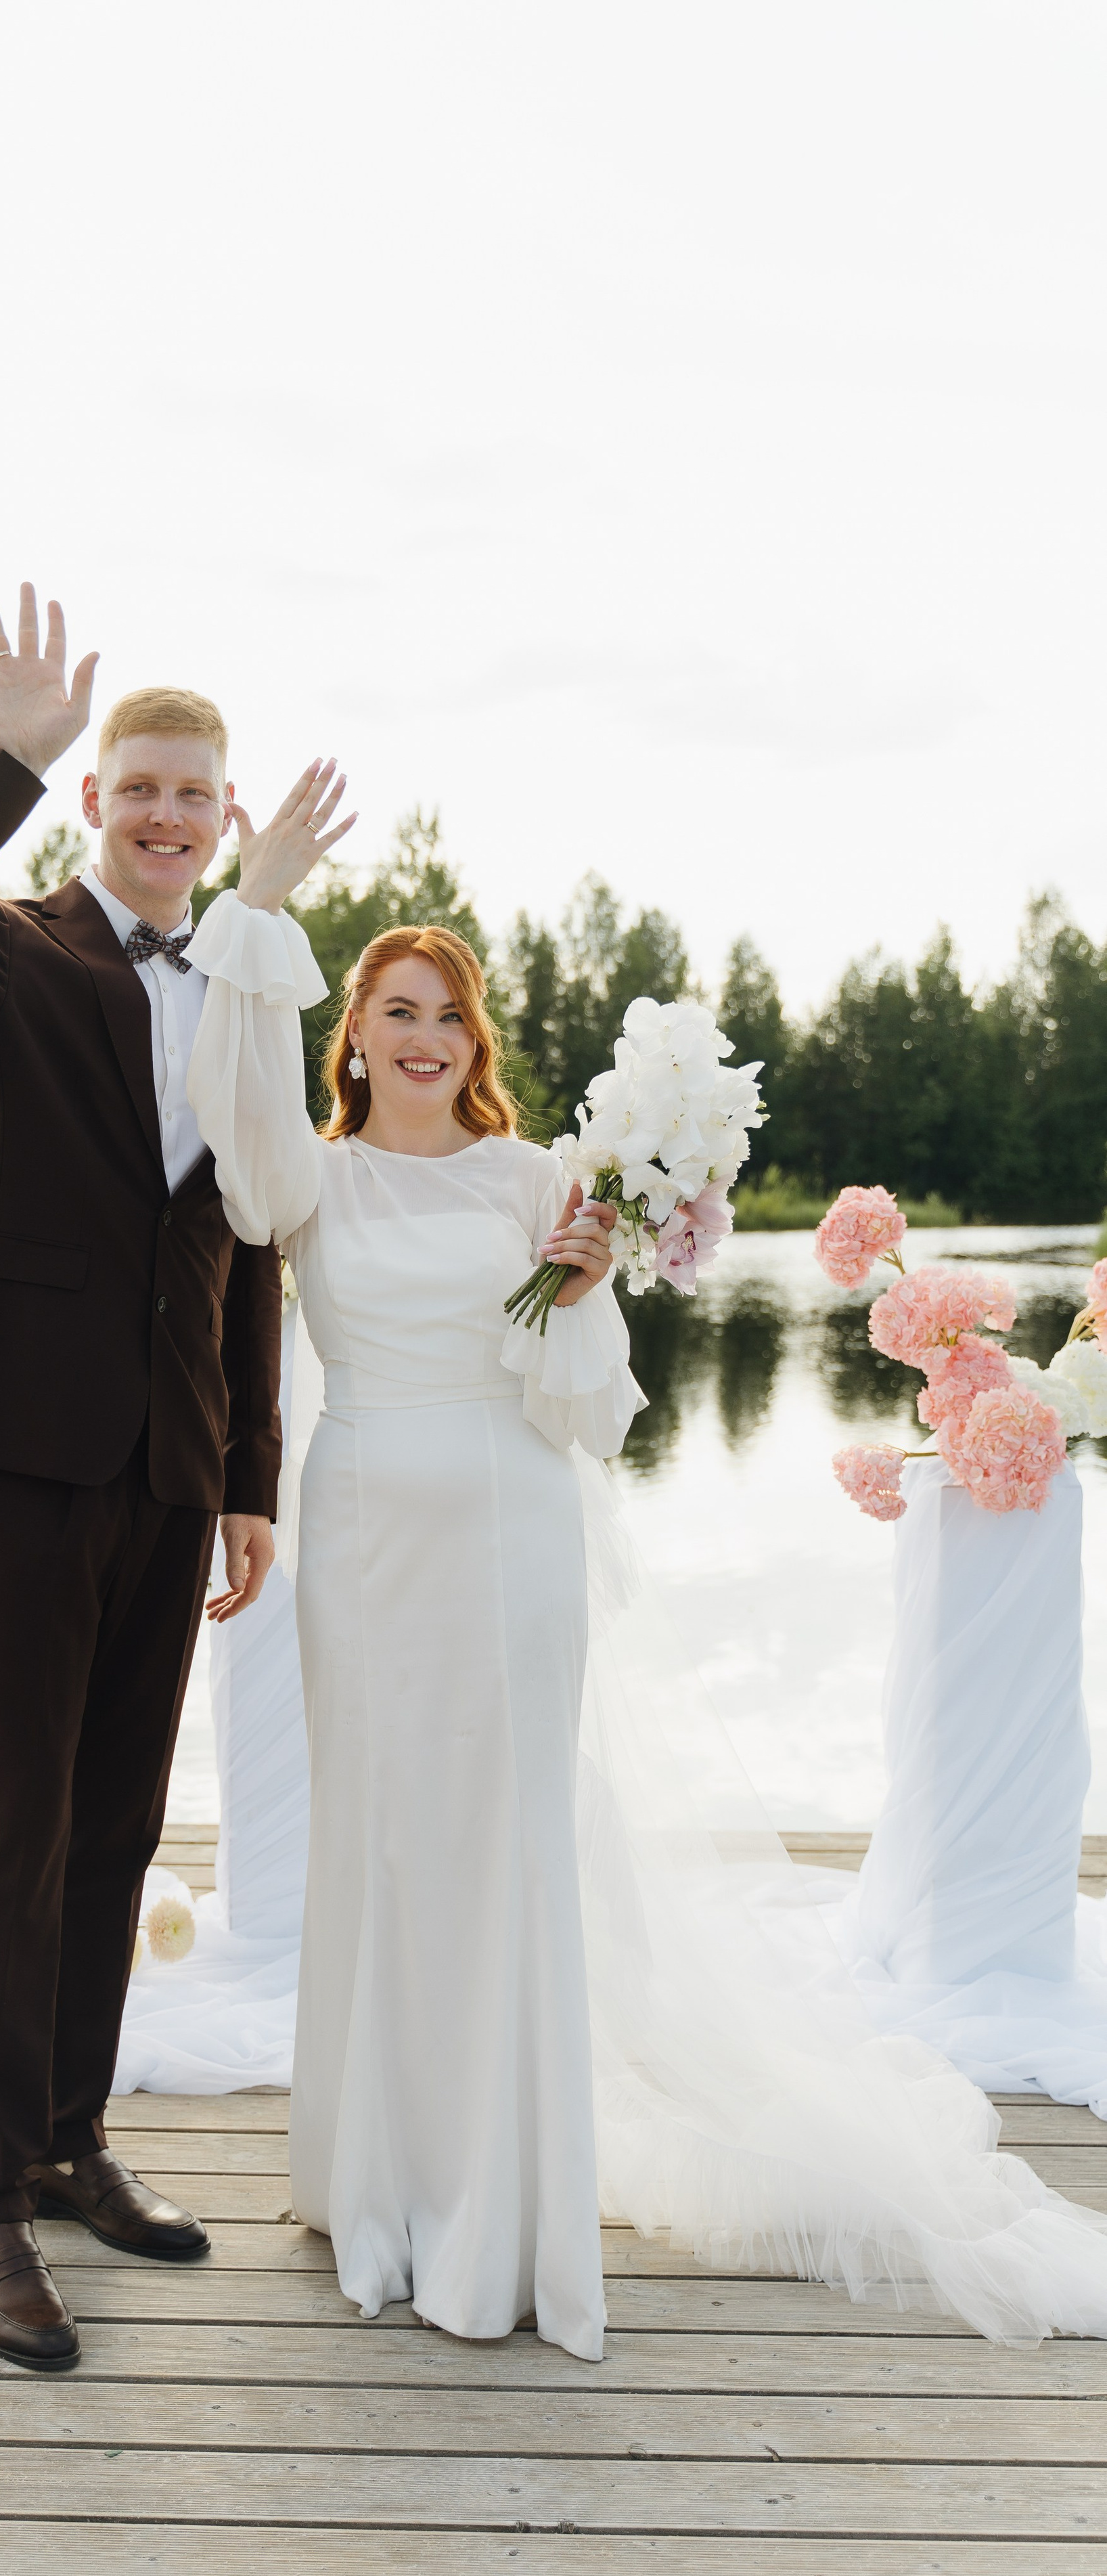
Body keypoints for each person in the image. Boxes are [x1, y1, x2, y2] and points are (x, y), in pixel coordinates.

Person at [181, 876, 1107, 2355]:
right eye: (394, 1013)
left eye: (448, 1016)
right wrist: (264, 901)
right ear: (346, 1034)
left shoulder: (533, 1176)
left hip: (506, 1527)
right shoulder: (310, 1179)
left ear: (473, 1041)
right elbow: (227, 1110)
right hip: (357, 1532)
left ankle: (500, 2209)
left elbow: (583, 1409)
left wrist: (583, 1286)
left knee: (500, 1844)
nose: (423, 1038)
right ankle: (375, 2179)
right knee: (380, 1836)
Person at [0, 586, 354, 2372]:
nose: (166, 816)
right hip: (15, 1445)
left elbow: (255, 1232)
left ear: (223, 812)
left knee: (118, 1831)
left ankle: (62, 2142)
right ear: (96, 798)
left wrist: (250, 1471)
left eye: (194, 795)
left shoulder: (249, 973)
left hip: (167, 1464)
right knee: (14, 1827)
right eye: (136, 786)